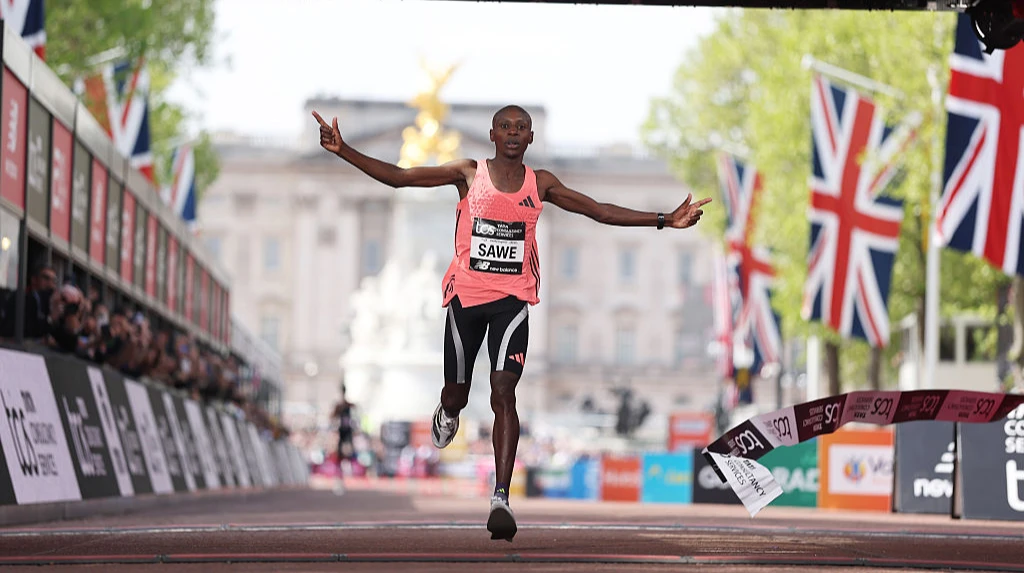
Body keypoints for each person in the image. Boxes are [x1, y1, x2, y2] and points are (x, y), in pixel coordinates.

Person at [311, 105, 710, 541]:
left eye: (521, 128)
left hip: (512, 302)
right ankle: (448, 411)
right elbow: (401, 177)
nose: (514, 134)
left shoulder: (541, 184)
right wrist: (344, 150)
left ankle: (500, 497)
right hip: (465, 300)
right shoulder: (468, 173)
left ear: (531, 138)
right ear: (493, 135)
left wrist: (663, 220)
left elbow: (597, 210)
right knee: (457, 393)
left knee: (504, 392)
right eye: (506, 127)